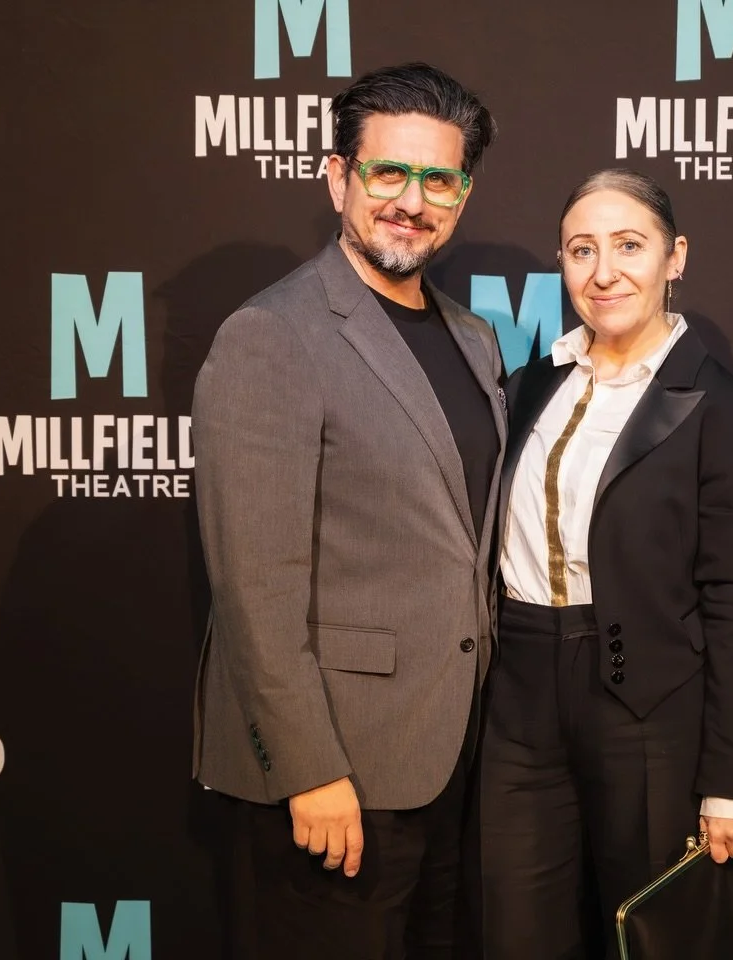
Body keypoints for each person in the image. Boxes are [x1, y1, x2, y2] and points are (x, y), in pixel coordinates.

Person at [190, 62, 502, 959]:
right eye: (388, 172)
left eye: (438, 179)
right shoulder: (273, 334)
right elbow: (254, 584)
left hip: (449, 765)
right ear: (338, 177)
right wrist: (310, 769)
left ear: (463, 195)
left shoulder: (473, 337)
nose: (412, 200)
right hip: (336, 779)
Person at [478, 168, 733, 959]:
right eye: (582, 250)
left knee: (648, 939)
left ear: (675, 257)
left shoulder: (730, 412)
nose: (603, 271)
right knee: (517, 934)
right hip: (516, 700)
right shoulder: (530, 384)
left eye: (628, 245)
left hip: (647, 707)